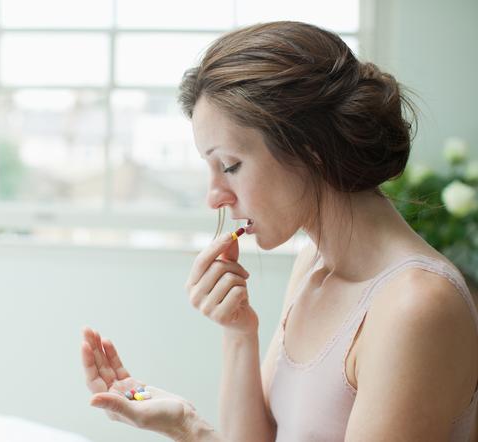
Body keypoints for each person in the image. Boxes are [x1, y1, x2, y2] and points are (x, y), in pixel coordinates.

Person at [81, 21, 478, 441]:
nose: (214, 197)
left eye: (230, 165)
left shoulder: (416, 306)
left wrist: (191, 430)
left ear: (310, 150)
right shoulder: (312, 264)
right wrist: (238, 334)